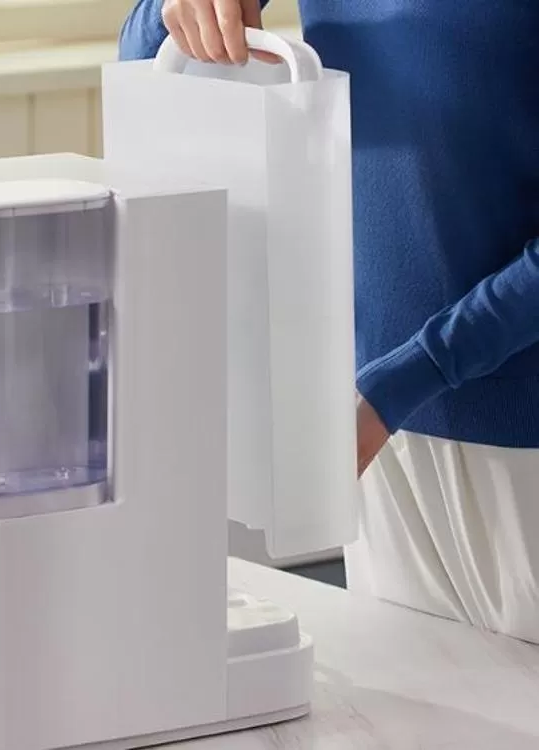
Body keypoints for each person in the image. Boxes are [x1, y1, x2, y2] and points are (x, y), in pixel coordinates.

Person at [118, 0, 539, 642]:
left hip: (493, 432)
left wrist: (406, 379)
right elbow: (146, 58)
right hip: (372, 430)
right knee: (413, 695)